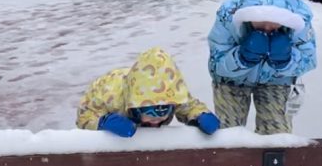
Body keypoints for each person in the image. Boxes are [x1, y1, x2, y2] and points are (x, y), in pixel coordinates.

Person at [208, 0, 316, 134]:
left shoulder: (299, 21)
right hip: (232, 80)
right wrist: (241, 58)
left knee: (276, 134)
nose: (267, 26)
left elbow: (309, 59)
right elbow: (216, 63)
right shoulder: (229, 15)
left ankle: (271, 158)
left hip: (276, 80)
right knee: (227, 134)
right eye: (259, 19)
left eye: (275, 20)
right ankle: (232, 159)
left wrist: (286, 60)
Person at [76, 46, 220, 137]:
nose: (156, 121)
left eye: (163, 114)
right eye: (151, 116)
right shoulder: (109, 94)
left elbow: (189, 106)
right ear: (137, 108)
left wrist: (200, 116)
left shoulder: (172, 94)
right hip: (110, 95)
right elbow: (84, 116)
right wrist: (102, 122)